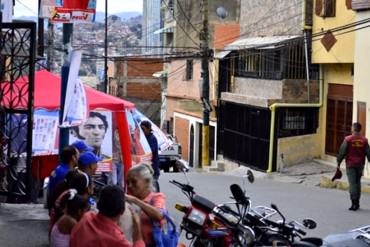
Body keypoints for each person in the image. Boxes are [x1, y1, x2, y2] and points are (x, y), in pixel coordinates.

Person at [70, 185, 145, 247]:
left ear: (98, 205)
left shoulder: (86, 217)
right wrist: (138, 229)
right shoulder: (116, 238)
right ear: (122, 211)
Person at [126, 164, 166, 245]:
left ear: (146, 181)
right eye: (128, 182)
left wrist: (135, 200)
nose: (129, 185)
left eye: (134, 182)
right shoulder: (128, 200)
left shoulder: (157, 197)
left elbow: (159, 215)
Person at [337, 122, 370, 211]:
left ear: (353, 129)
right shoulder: (364, 140)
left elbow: (342, 152)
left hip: (350, 164)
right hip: (360, 165)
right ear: (360, 129)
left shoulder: (348, 139)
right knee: (357, 183)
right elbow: (368, 153)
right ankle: (357, 202)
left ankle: (354, 203)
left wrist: (338, 162)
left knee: (352, 184)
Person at [140, 121, 160, 192]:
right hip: (146, 170)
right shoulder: (143, 138)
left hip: (153, 170)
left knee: (153, 190)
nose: (141, 131)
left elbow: (148, 152)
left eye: (143, 129)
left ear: (148, 129)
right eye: (140, 129)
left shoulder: (152, 139)